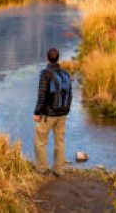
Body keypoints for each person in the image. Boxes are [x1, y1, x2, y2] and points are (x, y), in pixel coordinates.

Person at [34, 47, 72, 176]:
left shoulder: (45, 73)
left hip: (48, 114)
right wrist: (66, 110)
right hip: (63, 114)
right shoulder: (66, 74)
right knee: (60, 141)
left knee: (40, 141)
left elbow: (42, 94)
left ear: (47, 58)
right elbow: (70, 95)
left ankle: (43, 169)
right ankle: (59, 170)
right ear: (58, 58)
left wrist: (37, 112)